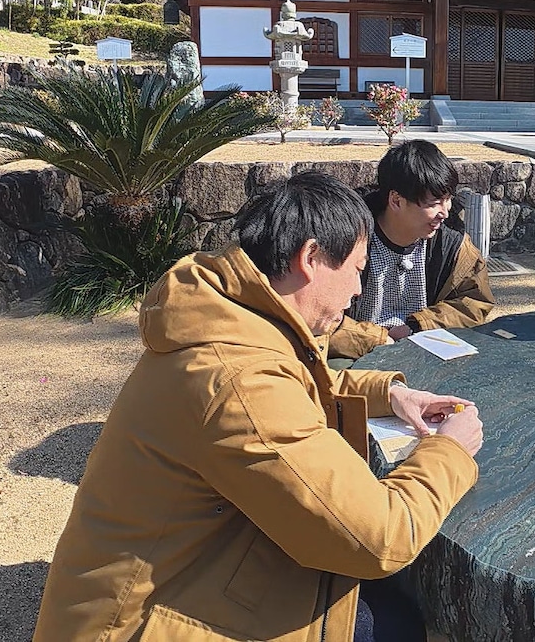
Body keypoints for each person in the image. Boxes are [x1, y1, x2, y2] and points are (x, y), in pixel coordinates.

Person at [33, 171, 484, 642]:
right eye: (356, 269)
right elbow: (378, 539)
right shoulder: (238, 380)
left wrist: (389, 392)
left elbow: (293, 380)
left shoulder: (232, 319)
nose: (357, 290)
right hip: (140, 624)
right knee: (395, 618)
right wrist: (450, 452)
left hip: (185, 574)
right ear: (310, 258)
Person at [327, 139, 494, 360]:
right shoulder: (345, 239)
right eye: (434, 203)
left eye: (448, 200)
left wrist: (417, 326)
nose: (444, 212)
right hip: (353, 354)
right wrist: (377, 339)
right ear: (396, 200)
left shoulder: (454, 246)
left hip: (425, 349)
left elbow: (474, 303)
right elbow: (317, 316)